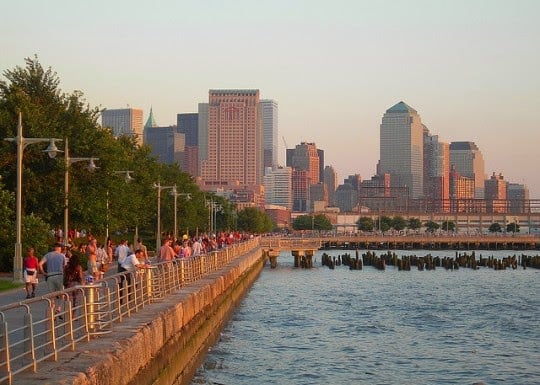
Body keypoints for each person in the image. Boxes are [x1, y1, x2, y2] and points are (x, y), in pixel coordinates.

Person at [38, 243, 66, 315]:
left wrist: (44, 273)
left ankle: (52, 311)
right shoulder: (62, 256)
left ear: (54, 248)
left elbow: (40, 264)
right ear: (59, 248)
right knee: (61, 294)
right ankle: (58, 308)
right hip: (59, 275)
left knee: (52, 295)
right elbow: (65, 266)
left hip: (50, 276)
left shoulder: (48, 255)